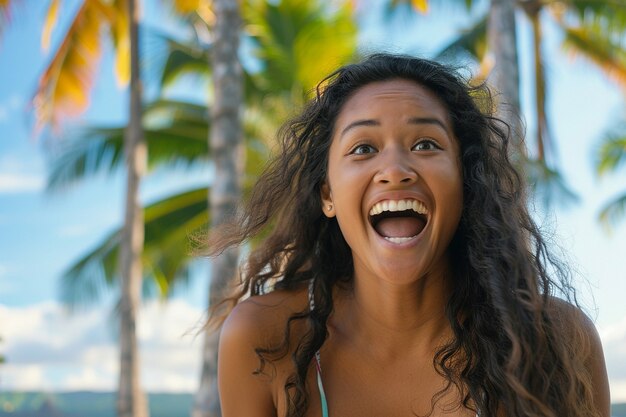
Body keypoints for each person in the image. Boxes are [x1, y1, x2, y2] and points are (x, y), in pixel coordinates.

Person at [213, 54, 610, 417]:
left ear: (466, 182)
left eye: (425, 144)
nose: (395, 169)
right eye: (363, 148)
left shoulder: (555, 341)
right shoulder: (264, 342)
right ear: (328, 194)